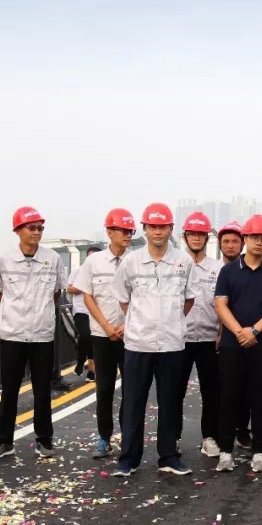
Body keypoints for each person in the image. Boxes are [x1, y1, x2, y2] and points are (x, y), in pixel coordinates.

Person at [111, 203, 196, 477]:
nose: (157, 231)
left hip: (172, 344)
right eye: (152, 226)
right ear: (145, 229)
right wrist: (142, 321)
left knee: (170, 402)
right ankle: (129, 458)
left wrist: (171, 321)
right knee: (133, 402)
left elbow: (189, 299)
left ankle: (169, 456)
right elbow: (123, 299)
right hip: (138, 343)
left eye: (162, 227)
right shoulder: (131, 262)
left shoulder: (184, 261)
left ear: (171, 229)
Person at [0, 206, 67, 460]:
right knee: (9, 390)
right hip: (13, 335)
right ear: (18, 230)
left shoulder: (53, 258)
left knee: (42, 391)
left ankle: (44, 440)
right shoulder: (3, 259)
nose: (37, 232)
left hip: (42, 335)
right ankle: (4, 441)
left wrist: (39, 312)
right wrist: (16, 311)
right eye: (32, 227)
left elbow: (57, 293)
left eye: (40, 228)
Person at [213, 215, 262, 473]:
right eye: (255, 237)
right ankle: (225, 451)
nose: (259, 242)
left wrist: (254, 330)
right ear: (245, 238)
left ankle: (259, 451)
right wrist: (239, 332)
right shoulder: (228, 271)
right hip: (232, 345)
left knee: (261, 400)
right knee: (229, 398)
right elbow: (220, 304)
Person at [74, 208, 135, 459]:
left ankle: (128, 437)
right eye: (123, 230)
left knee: (131, 390)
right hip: (102, 335)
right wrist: (107, 327)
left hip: (131, 335)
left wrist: (126, 325)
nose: (128, 235)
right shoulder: (94, 262)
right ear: (109, 232)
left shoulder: (136, 260)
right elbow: (87, 296)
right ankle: (104, 438)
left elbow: (142, 297)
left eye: (131, 231)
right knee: (104, 390)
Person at [176, 212, 223, 458]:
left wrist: (222, 333)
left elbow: (225, 303)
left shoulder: (218, 268)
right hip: (179, 340)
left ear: (207, 237)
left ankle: (209, 438)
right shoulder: (175, 265)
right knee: (175, 392)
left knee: (211, 392)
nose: (196, 238)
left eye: (201, 234)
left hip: (209, 339)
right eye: (192, 234)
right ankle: (172, 438)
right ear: (184, 237)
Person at [216, 220, 252, 448]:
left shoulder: (250, 269)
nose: (230, 246)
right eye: (226, 241)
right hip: (211, 337)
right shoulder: (215, 269)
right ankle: (219, 434)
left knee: (246, 388)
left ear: (243, 243)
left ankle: (243, 430)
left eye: (235, 241)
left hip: (242, 336)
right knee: (221, 389)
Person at [67, 247, 100, 380]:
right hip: (81, 310)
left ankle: (85, 365)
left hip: (97, 312)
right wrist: (83, 286)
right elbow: (69, 289)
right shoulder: (78, 272)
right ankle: (87, 364)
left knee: (91, 338)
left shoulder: (103, 272)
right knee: (86, 335)